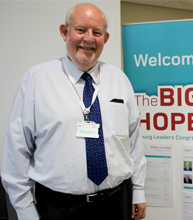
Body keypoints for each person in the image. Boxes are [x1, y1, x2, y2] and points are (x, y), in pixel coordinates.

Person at [1, 3, 146, 220]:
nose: (89, 38)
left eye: (97, 32)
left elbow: (134, 141)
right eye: (81, 30)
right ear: (64, 31)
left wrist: (138, 190)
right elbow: (17, 152)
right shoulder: (36, 80)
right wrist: (25, 210)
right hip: (59, 207)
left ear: (105, 38)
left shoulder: (119, 80)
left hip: (116, 202)